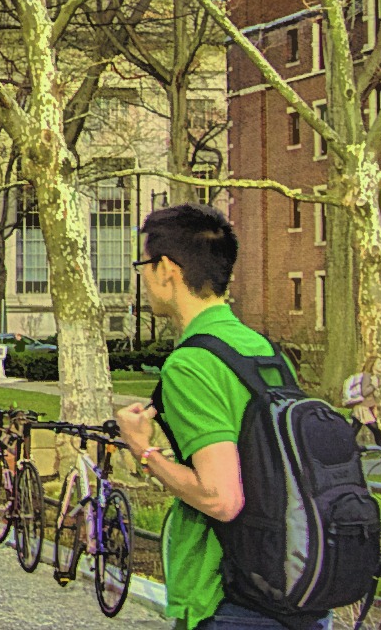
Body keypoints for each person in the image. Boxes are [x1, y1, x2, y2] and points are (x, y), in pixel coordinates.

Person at [114, 202, 325, 630]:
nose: (144, 277)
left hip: (230, 601)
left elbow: (220, 498)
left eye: (144, 265)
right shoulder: (261, 349)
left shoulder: (191, 364)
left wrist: (144, 450)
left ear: (166, 269)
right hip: (294, 594)